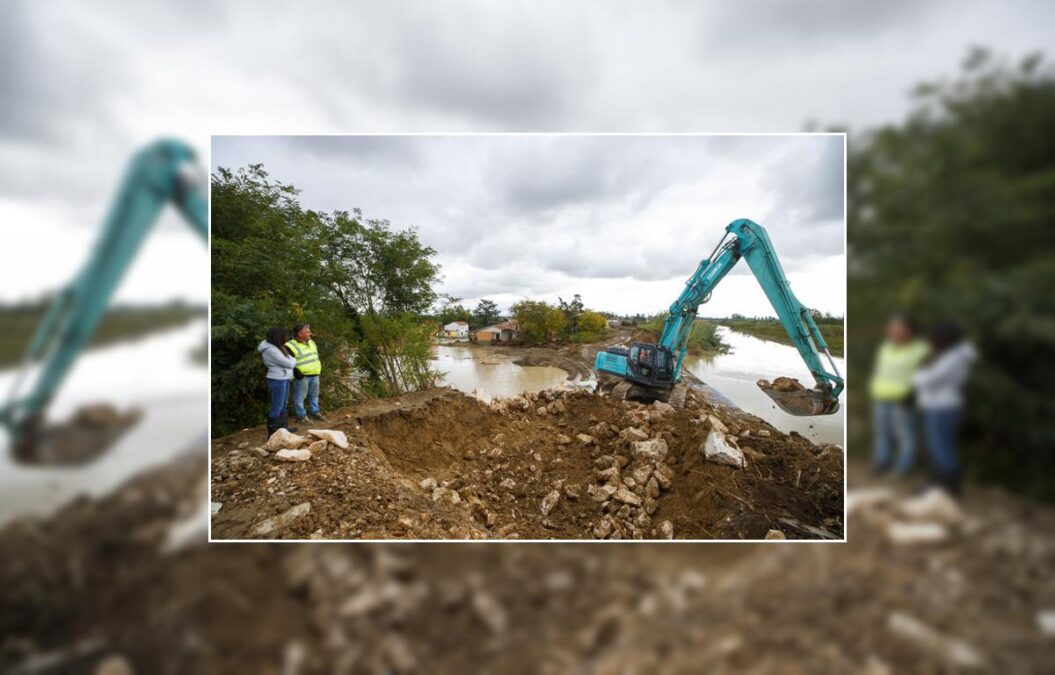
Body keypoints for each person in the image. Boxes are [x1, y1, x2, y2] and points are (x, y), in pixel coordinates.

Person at [914, 323, 977, 496]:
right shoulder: (950, 356)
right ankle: (936, 485)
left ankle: (949, 488)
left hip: (942, 408)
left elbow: (930, 380)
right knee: (935, 449)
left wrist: (920, 374)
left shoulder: (953, 359)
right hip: (937, 407)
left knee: (941, 449)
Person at [869, 315, 929, 475]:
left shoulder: (920, 349)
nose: (893, 331)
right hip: (881, 397)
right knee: (882, 433)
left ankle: (904, 467)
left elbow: (927, 375)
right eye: (892, 328)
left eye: (897, 328)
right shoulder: (886, 347)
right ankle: (883, 462)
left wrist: (914, 395)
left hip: (903, 400)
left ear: (908, 331)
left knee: (905, 435)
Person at [258, 326, 297, 438]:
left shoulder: (278, 347)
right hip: (277, 379)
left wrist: (291, 360)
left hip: (284, 378)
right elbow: (290, 363)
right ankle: (273, 434)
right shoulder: (271, 350)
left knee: (283, 404)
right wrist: (292, 360)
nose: (287, 337)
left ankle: (283, 429)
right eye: (285, 335)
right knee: (277, 406)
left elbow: (289, 359)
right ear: (278, 337)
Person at [285, 323, 325, 423]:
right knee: (300, 397)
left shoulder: (312, 343)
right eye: (307, 331)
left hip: (315, 374)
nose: (309, 333)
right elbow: (286, 361)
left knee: (314, 396)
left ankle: (315, 412)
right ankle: (301, 416)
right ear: (299, 333)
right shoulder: (290, 345)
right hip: (302, 376)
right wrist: (295, 371)